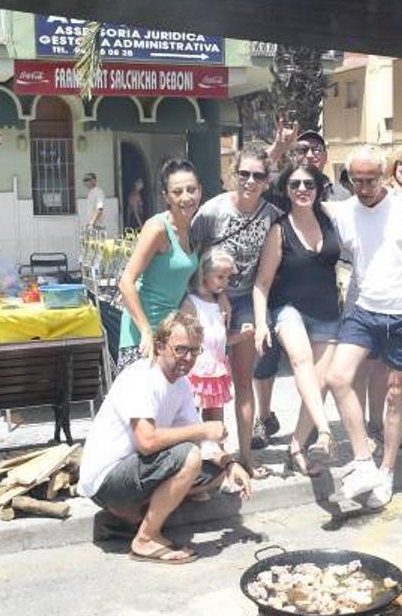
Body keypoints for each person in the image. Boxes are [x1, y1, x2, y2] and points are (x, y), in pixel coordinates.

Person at [78, 311, 253, 564]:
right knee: (189, 457)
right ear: (160, 346)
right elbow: (147, 442)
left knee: (214, 472)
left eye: (195, 351)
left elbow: (202, 441)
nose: (189, 358)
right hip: (107, 481)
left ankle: (129, 516)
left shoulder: (180, 384)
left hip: (137, 470)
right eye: (181, 349)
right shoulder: (142, 377)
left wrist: (230, 463)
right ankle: (145, 538)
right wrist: (203, 430)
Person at [326, 145, 402, 508]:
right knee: (338, 377)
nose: (363, 187)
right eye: (356, 180)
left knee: (396, 393)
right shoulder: (344, 211)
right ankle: (364, 462)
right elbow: (297, 202)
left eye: (370, 180)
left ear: (384, 175)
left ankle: (387, 471)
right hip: (364, 310)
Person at [252, 126, 352, 451]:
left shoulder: (333, 214)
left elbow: (371, 205)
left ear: (319, 187)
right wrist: (259, 324)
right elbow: (262, 282)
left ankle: (297, 445)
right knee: (300, 359)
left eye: (309, 184)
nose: (302, 188)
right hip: (287, 307)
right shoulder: (278, 223)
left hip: (326, 311)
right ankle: (323, 430)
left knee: (320, 381)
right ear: (287, 188)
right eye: (295, 184)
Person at [190, 142, 285, 479]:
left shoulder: (271, 217)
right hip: (207, 301)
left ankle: (245, 456)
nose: (250, 180)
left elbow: (263, 280)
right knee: (205, 381)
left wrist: (261, 324)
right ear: (233, 174)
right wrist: (214, 299)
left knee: (243, 381)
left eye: (257, 175)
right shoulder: (212, 211)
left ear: (267, 180)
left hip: (245, 301)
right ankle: (210, 457)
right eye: (243, 173)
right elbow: (192, 258)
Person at [352, 144, 402, 449]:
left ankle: (386, 426)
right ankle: (369, 426)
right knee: (365, 367)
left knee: (390, 371)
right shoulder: (370, 194)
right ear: (391, 165)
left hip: (401, 299)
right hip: (366, 294)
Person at [117, 160, 201, 372]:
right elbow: (126, 283)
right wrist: (145, 331)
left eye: (191, 190)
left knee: (172, 404)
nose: (186, 197)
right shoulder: (158, 228)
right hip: (142, 338)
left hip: (171, 337)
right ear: (166, 196)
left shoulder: (192, 228)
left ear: (200, 191)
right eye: (177, 191)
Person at [181, 248, 239, 424]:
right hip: (196, 369)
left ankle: (217, 448)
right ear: (204, 274)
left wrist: (242, 336)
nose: (225, 282)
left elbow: (221, 339)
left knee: (216, 413)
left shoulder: (220, 303)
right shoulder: (191, 302)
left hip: (216, 367)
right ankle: (191, 448)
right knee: (190, 414)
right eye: (220, 277)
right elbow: (185, 338)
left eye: (228, 277)